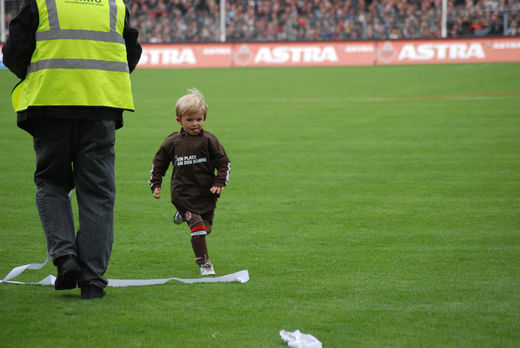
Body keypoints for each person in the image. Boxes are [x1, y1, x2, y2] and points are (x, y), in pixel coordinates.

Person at [2, 0, 142, 299]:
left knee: (51, 183)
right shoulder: (115, 6)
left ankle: (66, 259)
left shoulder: (42, 3)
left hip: (50, 106)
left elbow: (13, 54)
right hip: (100, 109)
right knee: (98, 195)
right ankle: (92, 282)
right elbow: (132, 53)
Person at [149, 89, 230, 276]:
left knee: (206, 229)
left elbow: (224, 163)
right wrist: (156, 183)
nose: (195, 124)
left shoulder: (209, 140)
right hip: (182, 195)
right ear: (179, 120)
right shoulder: (173, 142)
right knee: (198, 228)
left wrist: (219, 182)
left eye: (199, 119)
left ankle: (181, 216)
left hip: (206, 194)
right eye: (190, 120)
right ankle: (205, 264)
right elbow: (159, 164)